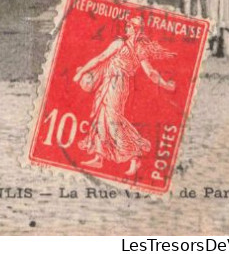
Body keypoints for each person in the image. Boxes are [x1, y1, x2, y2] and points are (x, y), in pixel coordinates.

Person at [73, 15, 176, 177]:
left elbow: (101, 58)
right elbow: (150, 72)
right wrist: (165, 84)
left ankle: (134, 156)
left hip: (117, 84)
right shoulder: (139, 48)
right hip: (112, 82)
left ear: (134, 29)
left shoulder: (122, 44)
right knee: (102, 117)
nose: (126, 28)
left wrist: (81, 72)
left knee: (113, 119)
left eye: (129, 26)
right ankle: (99, 156)